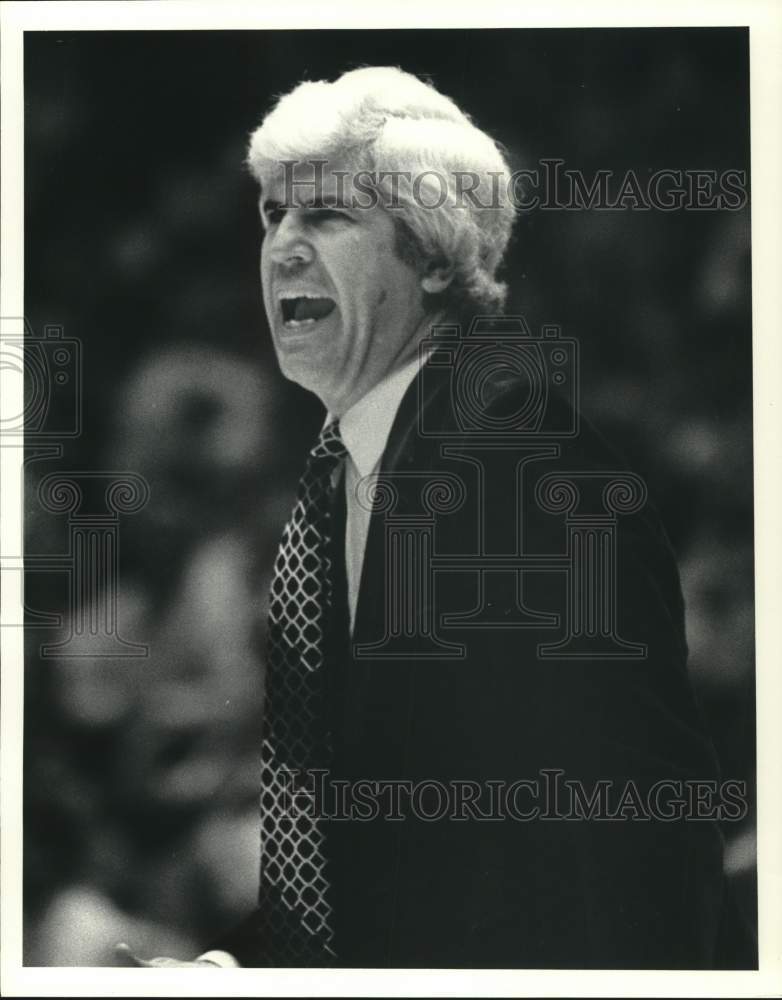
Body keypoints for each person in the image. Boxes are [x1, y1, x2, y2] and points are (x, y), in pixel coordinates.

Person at [120, 65, 753, 970]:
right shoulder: (355, 475)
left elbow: (591, 867)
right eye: (272, 215)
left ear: (432, 255)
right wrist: (232, 971)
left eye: (328, 215)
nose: (284, 248)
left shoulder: (516, 482)